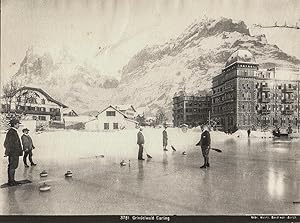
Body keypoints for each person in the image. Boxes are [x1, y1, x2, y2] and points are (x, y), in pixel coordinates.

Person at [4, 119, 23, 186]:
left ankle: (12, 180)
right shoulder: (12, 132)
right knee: (12, 166)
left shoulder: (12, 131)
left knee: (13, 166)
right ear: (14, 124)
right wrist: (9, 152)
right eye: (18, 124)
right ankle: (11, 181)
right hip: (13, 153)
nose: (19, 125)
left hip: (14, 152)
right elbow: (7, 143)